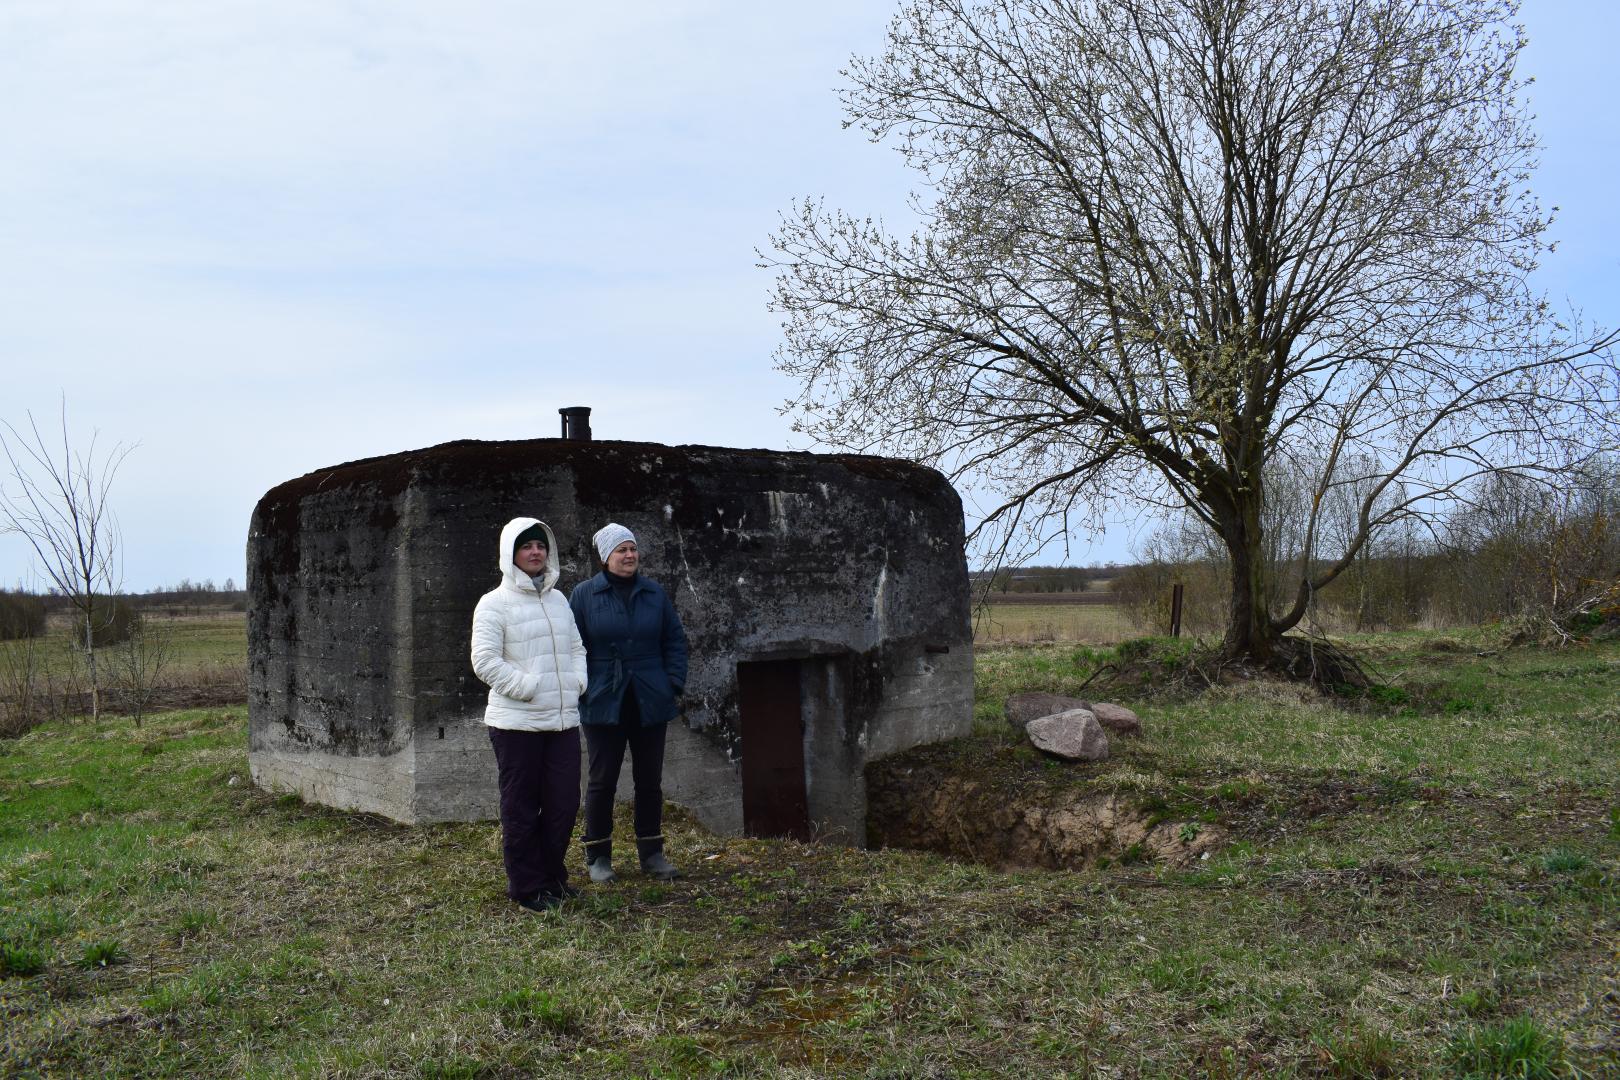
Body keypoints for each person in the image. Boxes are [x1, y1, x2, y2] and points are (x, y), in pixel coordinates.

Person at [470, 517, 587, 911]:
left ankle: (553, 877)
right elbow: (484, 661)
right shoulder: (494, 603)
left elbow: (576, 649)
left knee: (564, 803)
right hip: (516, 725)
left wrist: (576, 684)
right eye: (526, 546)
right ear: (511, 554)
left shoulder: (559, 600)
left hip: (563, 721)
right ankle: (526, 886)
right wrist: (529, 688)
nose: (535, 552)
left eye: (540, 545)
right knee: (521, 807)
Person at [570, 523, 689, 883]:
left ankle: (652, 853)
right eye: (621, 550)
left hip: (650, 699)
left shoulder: (653, 593)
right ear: (606, 557)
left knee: (649, 779)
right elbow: (573, 646)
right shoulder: (584, 595)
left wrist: (672, 683)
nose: (630, 556)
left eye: (633, 549)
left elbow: (675, 640)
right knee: (602, 780)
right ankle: (598, 856)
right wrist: (582, 687)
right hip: (603, 700)